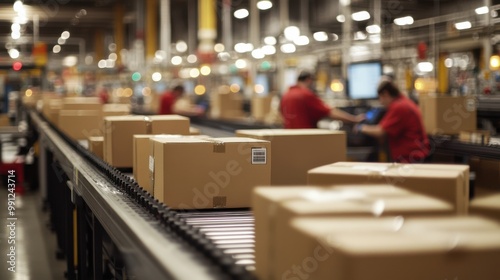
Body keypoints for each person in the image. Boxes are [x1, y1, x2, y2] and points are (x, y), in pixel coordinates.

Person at [354, 77, 430, 163]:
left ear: (385, 94)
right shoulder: (405, 102)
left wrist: (361, 127)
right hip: (414, 156)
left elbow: (380, 131)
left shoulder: (399, 107)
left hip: (410, 159)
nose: (381, 103)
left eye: (380, 98)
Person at [280, 71, 364, 128]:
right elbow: (330, 112)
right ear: (309, 80)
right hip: (305, 138)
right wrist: (353, 119)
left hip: (289, 137)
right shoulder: (306, 95)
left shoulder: (286, 94)